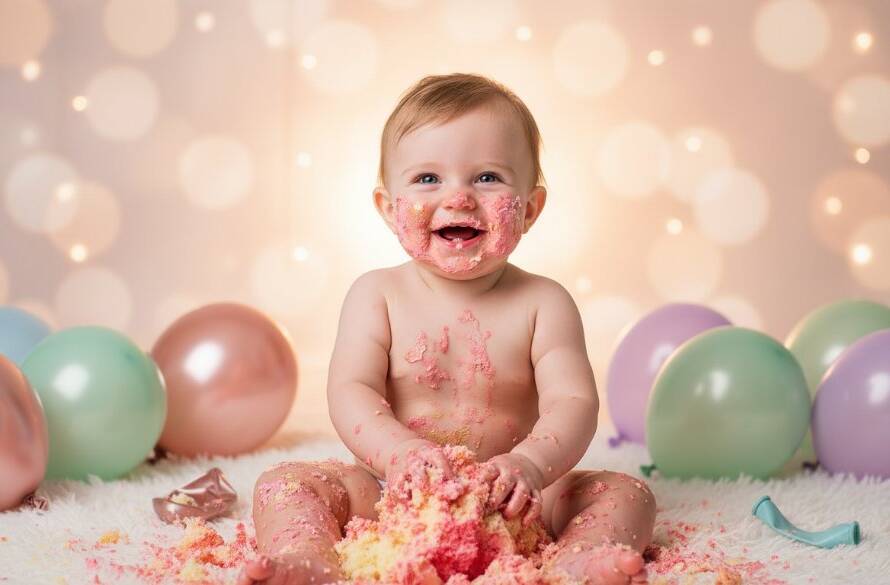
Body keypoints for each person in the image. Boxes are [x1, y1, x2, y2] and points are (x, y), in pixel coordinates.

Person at [238, 73, 655, 585]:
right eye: (428, 179)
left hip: (516, 501)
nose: (458, 198)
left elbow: (573, 401)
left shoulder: (544, 302)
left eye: (487, 177)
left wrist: (530, 463)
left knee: (625, 494)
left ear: (529, 209)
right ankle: (307, 556)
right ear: (389, 209)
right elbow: (351, 390)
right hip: (390, 493)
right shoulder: (377, 294)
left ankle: (579, 559)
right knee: (285, 483)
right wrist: (398, 454)